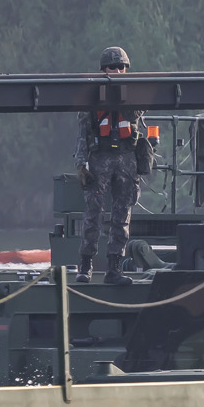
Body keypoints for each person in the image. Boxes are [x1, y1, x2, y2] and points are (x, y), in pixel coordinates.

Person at [74, 46, 153, 284]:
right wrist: (80, 163)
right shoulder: (91, 95)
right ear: (103, 69)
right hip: (100, 159)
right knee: (93, 215)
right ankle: (85, 267)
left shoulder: (135, 93)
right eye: (112, 67)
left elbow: (137, 114)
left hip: (126, 160)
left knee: (122, 216)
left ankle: (114, 269)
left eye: (121, 67)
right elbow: (82, 132)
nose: (117, 71)